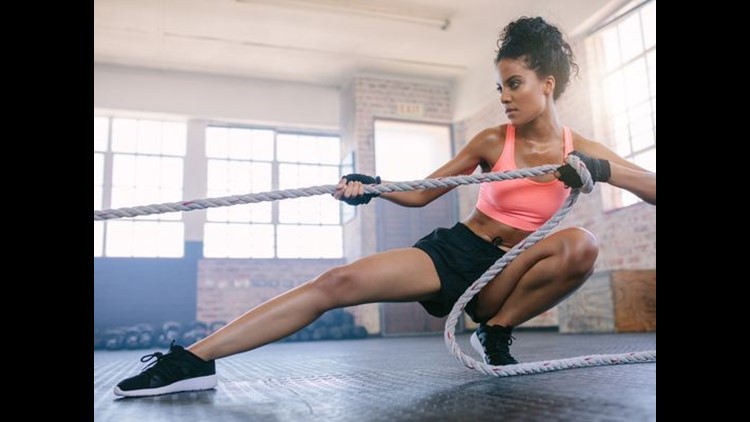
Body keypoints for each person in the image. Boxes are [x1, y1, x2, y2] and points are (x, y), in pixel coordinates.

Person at [113, 16, 656, 397]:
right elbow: (422, 193)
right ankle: (192, 361)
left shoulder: (580, 149)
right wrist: (371, 185)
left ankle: (496, 332)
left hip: (505, 278)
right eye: (499, 86)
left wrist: (606, 170)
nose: (505, 96)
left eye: (515, 84)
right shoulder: (493, 141)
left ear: (548, 83)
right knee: (337, 283)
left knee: (581, 244)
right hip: (457, 252)